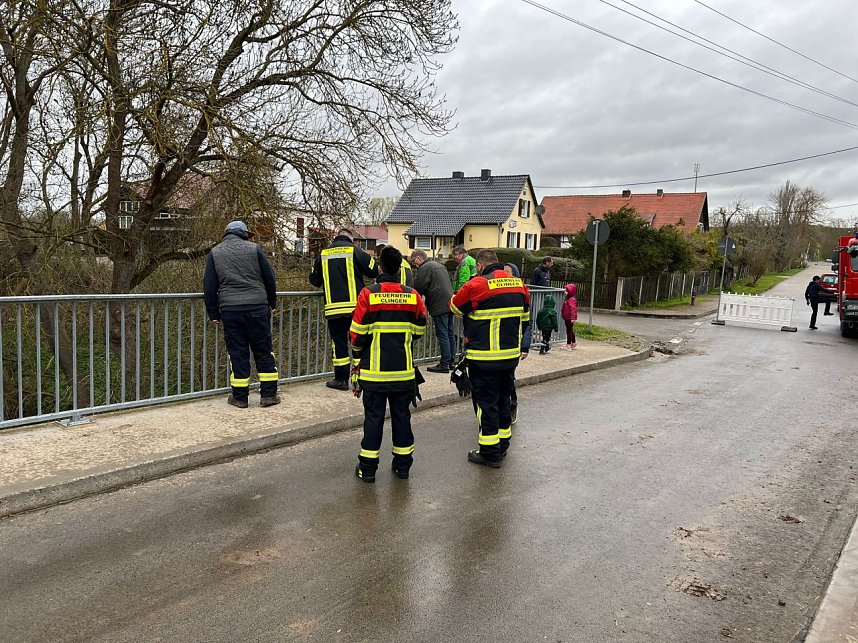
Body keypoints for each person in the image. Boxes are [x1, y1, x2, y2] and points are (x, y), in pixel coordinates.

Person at [350, 246, 427, 483]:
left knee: (373, 419)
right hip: (403, 374)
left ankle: (368, 470)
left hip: (374, 374)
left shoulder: (368, 294)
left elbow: (356, 334)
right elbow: (420, 329)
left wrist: (357, 356)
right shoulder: (412, 295)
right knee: (402, 418)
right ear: (400, 269)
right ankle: (402, 467)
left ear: (380, 268)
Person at [451, 249, 530, 468]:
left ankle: (489, 452)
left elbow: (455, 307)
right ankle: (502, 445)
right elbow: (524, 319)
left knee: (485, 405)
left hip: (483, 358)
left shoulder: (477, 285)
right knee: (504, 400)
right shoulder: (519, 285)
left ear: (479, 266)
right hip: (509, 357)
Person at [203, 220, 280, 408]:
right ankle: (269, 395)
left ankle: (240, 398)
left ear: (226, 233)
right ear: (244, 233)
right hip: (257, 307)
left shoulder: (215, 252)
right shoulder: (255, 249)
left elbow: (209, 286)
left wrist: (213, 313)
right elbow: (269, 278)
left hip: (230, 310)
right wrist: (272, 302)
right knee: (263, 351)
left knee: (237, 353)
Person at [309, 228, 379, 390]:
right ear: (351, 239)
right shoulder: (356, 251)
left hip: (334, 309)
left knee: (338, 344)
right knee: (359, 342)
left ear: (336, 238)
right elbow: (374, 271)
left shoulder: (323, 254)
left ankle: (341, 380)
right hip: (356, 309)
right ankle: (362, 377)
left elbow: (314, 280)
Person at [410, 249, 456, 373]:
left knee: (442, 334)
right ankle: (451, 362)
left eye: (414, 261)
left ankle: (444, 364)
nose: (414, 264)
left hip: (439, 304)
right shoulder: (439, 265)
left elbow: (419, 286)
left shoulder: (425, 268)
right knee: (450, 333)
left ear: (419, 258)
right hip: (449, 302)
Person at [561, 283, 578, 349]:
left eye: (566, 291)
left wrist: (573, 318)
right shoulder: (568, 299)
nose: (564, 292)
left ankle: (568, 344)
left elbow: (573, 309)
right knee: (570, 330)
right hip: (567, 317)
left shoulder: (571, 300)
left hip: (569, 318)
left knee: (569, 331)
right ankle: (573, 342)